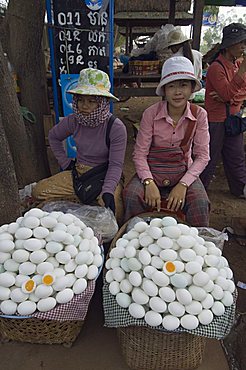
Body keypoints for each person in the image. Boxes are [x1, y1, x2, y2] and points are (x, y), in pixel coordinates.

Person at [123, 56, 210, 226]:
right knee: (131, 195)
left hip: (183, 171)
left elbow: (203, 156)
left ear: (192, 88)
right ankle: (132, 237)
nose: (177, 92)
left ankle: (198, 246)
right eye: (171, 86)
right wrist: (148, 182)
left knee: (200, 202)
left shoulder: (199, 115)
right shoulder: (151, 114)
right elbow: (140, 154)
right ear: (164, 90)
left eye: (183, 85)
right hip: (153, 170)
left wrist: (183, 184)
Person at [32, 68, 127, 222]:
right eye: (80, 99)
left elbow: (116, 165)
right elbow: (54, 137)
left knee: (113, 207)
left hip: (106, 174)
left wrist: (108, 190)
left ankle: (110, 242)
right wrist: (65, 162)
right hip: (80, 173)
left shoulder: (116, 127)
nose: (84, 106)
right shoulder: (73, 120)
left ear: (103, 102)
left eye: (91, 101)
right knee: (39, 191)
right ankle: (83, 199)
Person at [200, 23, 246, 199]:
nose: (243, 46)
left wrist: (232, 97)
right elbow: (227, 93)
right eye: (239, 42)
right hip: (216, 120)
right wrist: (229, 95)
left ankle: (240, 189)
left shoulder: (238, 63)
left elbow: (232, 94)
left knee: (236, 157)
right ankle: (199, 191)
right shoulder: (216, 68)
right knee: (209, 157)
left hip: (233, 117)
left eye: (244, 42)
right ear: (228, 45)